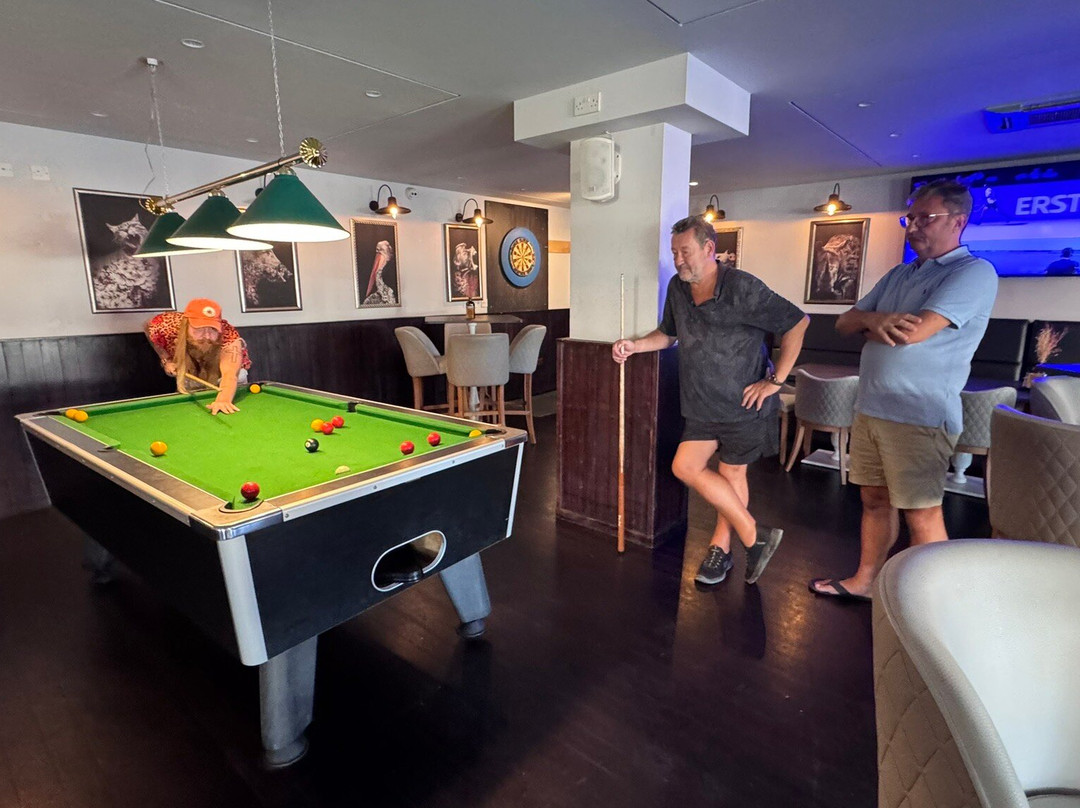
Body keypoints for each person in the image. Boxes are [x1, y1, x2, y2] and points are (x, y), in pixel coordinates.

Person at [809, 180, 999, 601]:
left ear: (958, 221)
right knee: (874, 500)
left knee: (922, 512)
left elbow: (913, 333)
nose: (912, 227)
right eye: (909, 218)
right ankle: (866, 582)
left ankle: (931, 606)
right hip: (871, 408)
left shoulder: (973, 272)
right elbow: (844, 322)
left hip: (919, 415)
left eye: (924, 218)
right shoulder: (900, 273)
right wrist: (874, 321)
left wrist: (871, 322)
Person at [613, 216, 809, 586]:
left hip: (743, 405)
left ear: (709, 248)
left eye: (685, 251)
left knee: (732, 474)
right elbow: (668, 334)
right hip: (700, 403)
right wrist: (635, 346)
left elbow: (797, 323)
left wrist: (776, 381)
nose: (678, 260)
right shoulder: (678, 288)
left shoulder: (742, 287)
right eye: (674, 252)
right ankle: (754, 535)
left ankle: (721, 549)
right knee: (685, 467)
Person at [144, 298, 251, 415]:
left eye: (213, 329)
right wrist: (166, 359)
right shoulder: (166, 325)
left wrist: (223, 401)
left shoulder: (229, 336)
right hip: (191, 369)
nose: (207, 336)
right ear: (186, 324)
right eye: (199, 329)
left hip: (228, 377)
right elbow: (148, 328)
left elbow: (230, 375)